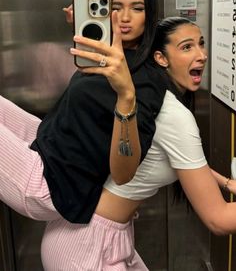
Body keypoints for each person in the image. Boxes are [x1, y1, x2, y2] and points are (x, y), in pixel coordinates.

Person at [38, 16, 236, 270]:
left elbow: (188, 165)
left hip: (95, 232)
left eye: (201, 43)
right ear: (160, 58)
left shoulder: (150, 97)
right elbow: (218, 219)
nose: (202, 55)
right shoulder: (173, 115)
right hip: (86, 244)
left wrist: (227, 183)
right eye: (187, 47)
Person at [0, 0, 163, 269]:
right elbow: (89, 99)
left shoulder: (146, 79)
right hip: (47, 145)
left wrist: (126, 95)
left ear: (150, 16)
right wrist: (85, 27)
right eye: (115, 6)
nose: (124, 17)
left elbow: (124, 171)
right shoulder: (109, 54)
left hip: (47, 182)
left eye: (137, 8)